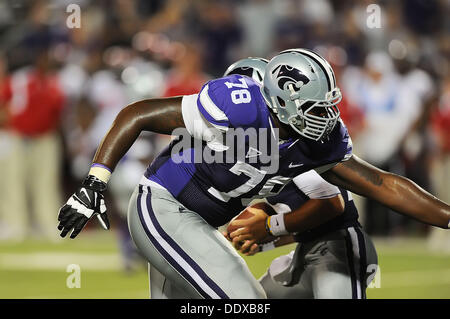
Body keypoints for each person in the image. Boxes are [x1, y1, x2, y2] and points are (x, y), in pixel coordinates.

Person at [57, 48, 449, 299]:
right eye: (314, 107)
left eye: (327, 106)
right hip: (163, 208)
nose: (326, 117)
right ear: (278, 98)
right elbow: (138, 113)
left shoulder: (314, 140)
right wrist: (94, 183)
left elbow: (382, 184)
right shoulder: (240, 106)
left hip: (199, 225)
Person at [223, 57, 377, 299]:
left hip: (338, 247)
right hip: (306, 252)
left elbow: (331, 205)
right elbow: (299, 216)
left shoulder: (292, 142)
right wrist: (262, 238)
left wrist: (267, 227)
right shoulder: (260, 146)